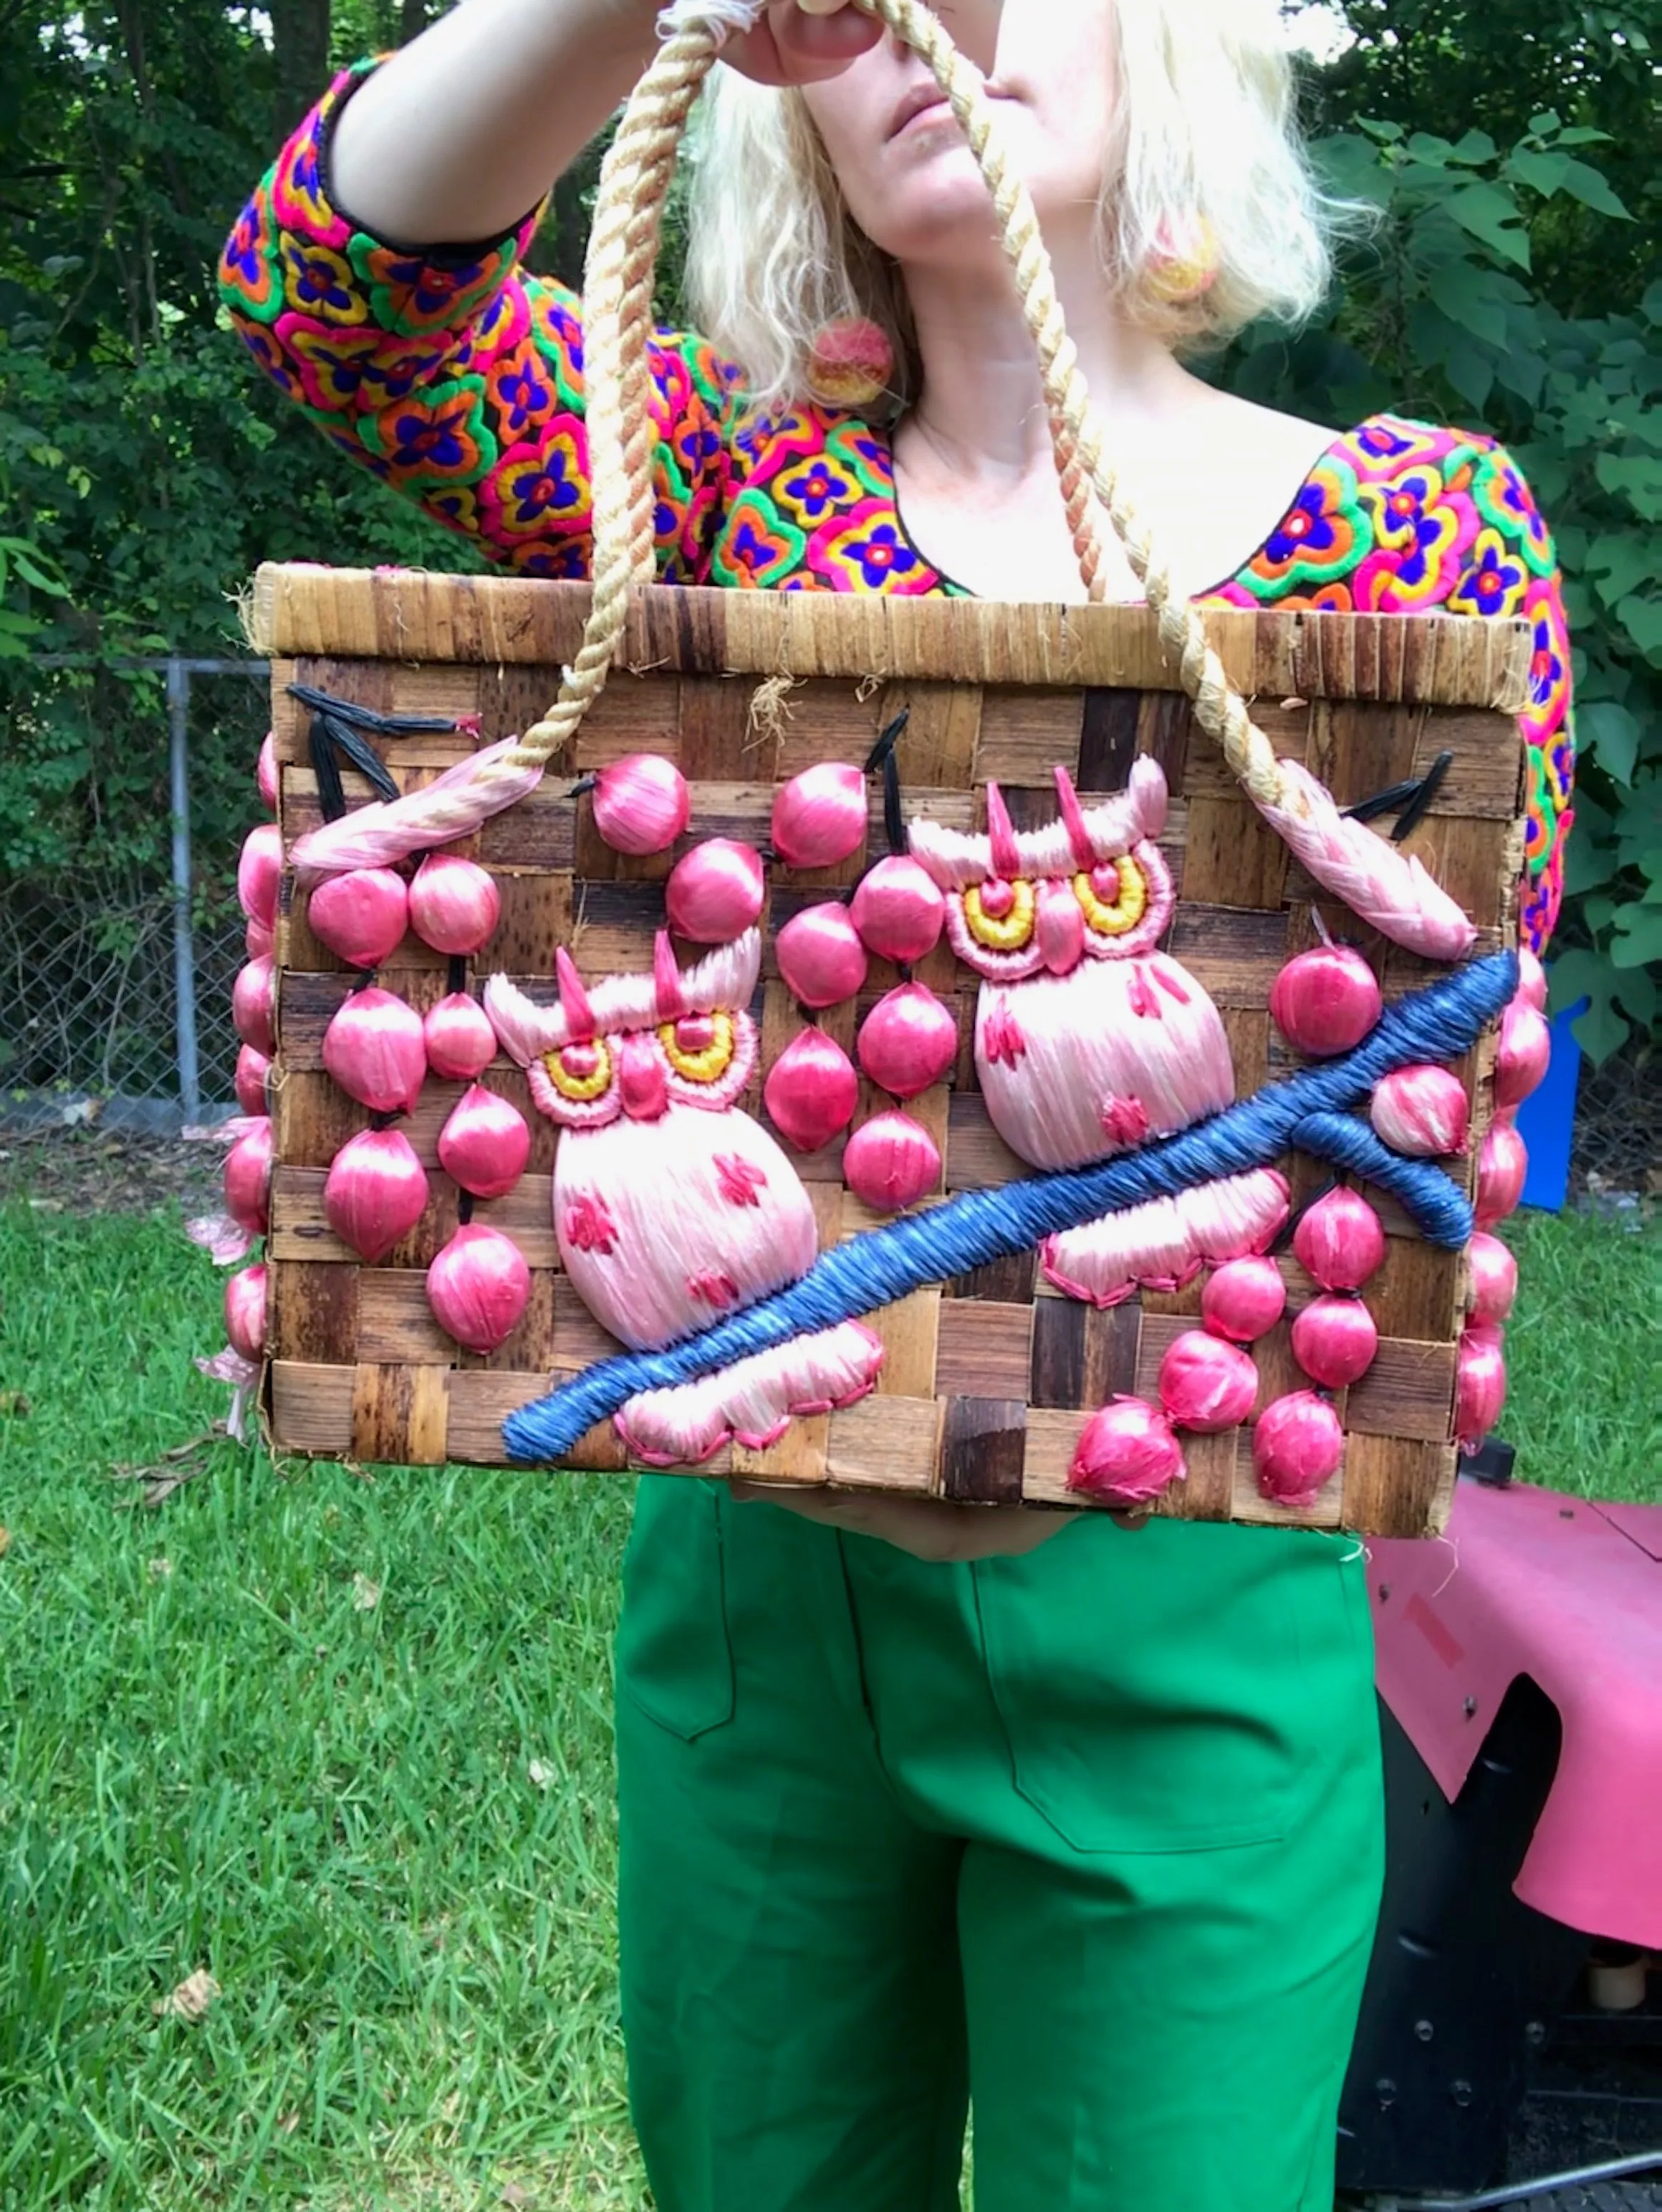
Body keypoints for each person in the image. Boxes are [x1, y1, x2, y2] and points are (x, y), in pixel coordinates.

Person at [219, 4, 1574, 2205]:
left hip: (1196, 1620)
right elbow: (329, 299)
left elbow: (1441, 1077)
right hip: (767, 1608)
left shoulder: (1418, 536)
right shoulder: (717, 487)